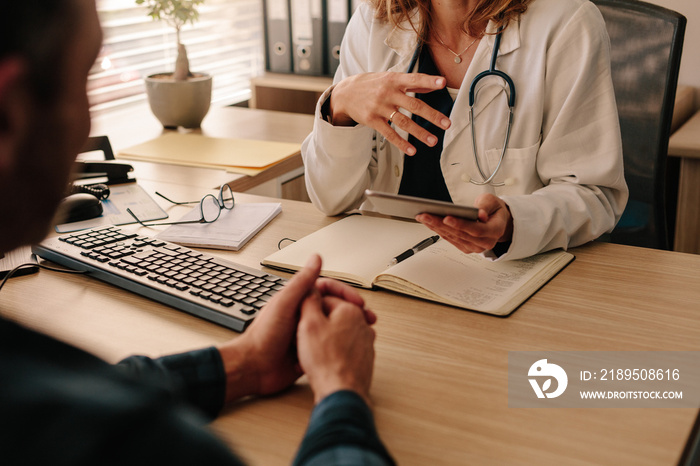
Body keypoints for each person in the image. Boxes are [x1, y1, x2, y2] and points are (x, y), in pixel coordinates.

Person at [0, 1, 394, 465]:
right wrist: (341, 394)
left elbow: (79, 393)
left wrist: (243, 364)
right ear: (12, 110)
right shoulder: (139, 443)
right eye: (83, 80)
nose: (90, 123)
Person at [302, 0, 628, 261]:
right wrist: (339, 104)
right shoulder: (372, 22)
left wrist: (515, 221)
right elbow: (332, 200)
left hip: (508, 275)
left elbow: (593, 194)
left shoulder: (567, 22)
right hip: (389, 267)